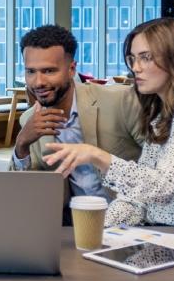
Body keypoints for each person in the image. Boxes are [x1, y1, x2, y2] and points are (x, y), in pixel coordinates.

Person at [43, 17, 174, 227]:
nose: (136, 68)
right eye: (133, 59)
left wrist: (98, 155)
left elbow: (164, 187)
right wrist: (93, 230)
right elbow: (138, 199)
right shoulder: (161, 116)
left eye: (146, 58)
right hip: (169, 238)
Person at [10, 24, 143, 208]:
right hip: (77, 224)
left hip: (136, 219)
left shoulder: (120, 100)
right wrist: (21, 144)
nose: (38, 82)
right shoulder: (30, 120)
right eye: (31, 71)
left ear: (72, 69)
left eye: (49, 71)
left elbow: (161, 170)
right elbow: (21, 194)